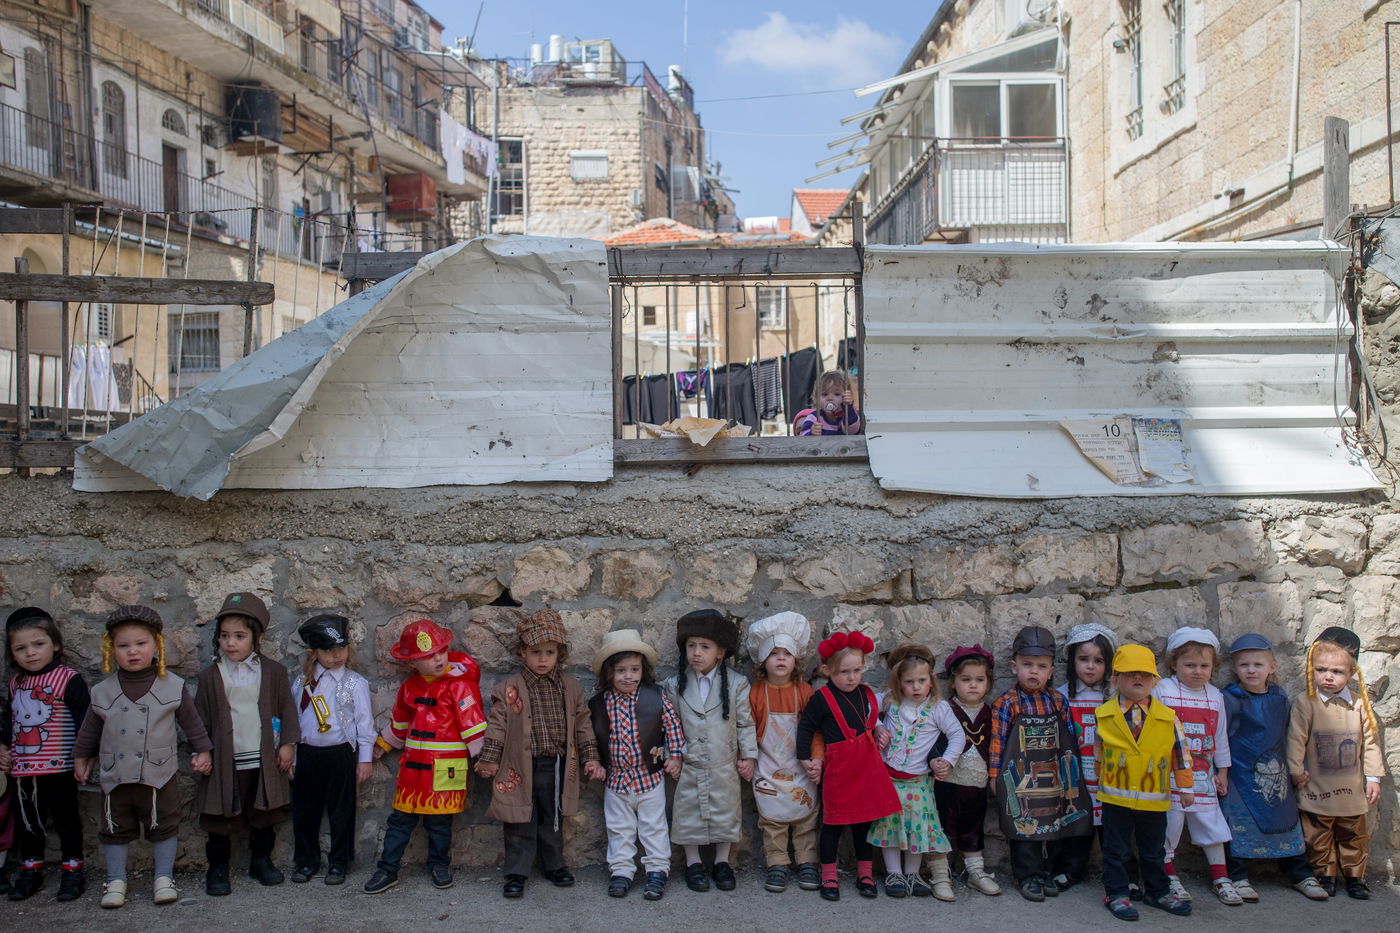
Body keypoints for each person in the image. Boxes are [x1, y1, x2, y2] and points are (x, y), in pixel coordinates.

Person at [72, 606, 213, 909]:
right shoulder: (102, 691)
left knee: (164, 824)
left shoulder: (172, 686)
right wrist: (81, 757)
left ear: (156, 646)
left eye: (141, 643)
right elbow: (90, 729)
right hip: (116, 775)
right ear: (112, 649)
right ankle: (116, 879)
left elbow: (192, 722)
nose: (133, 651)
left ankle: (164, 877)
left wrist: (202, 750)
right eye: (123, 645)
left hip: (159, 774)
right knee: (114, 827)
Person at [476, 608, 601, 899]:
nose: (542, 659)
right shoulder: (509, 688)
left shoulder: (570, 687)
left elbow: (583, 724)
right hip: (519, 765)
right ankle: (516, 872)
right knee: (518, 817)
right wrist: (490, 759)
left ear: (560, 653)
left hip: (555, 765)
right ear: (522, 652)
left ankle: (554, 865)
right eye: (535, 652)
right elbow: (497, 725)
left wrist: (591, 757)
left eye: (549, 652)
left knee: (552, 816)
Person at [363, 619, 486, 895]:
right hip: (413, 769)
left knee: (440, 823)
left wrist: (483, 758)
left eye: (441, 651)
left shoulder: (460, 687)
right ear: (412, 663)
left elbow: (474, 727)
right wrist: (383, 744)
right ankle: (387, 868)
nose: (438, 658)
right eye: (429, 655)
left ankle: (440, 864)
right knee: (400, 820)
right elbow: (400, 724)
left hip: (445, 768)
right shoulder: (410, 688)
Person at [194, 593, 300, 896]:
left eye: (239, 636)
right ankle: (218, 868)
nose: (231, 643)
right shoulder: (211, 676)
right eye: (224, 636)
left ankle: (261, 862)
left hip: (263, 758)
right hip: (225, 760)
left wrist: (288, 745)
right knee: (220, 818)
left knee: (264, 816)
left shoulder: (274, 672)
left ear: (258, 637)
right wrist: (203, 750)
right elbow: (200, 717)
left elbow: (286, 709)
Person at [988, 625, 1092, 902]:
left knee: (1054, 822)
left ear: (1051, 671)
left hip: (1054, 773)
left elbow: (1069, 739)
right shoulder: (1007, 703)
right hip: (1020, 776)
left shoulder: (1058, 701)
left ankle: (1047, 871)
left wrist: (1072, 774)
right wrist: (994, 776)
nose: (1034, 672)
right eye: (1027, 665)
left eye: (1041, 666)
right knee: (1024, 824)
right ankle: (1027, 875)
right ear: (1014, 667)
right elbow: (998, 742)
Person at [1221, 633, 1327, 902]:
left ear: (1271, 667)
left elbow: (1291, 735)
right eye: (1244, 665)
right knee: (1238, 826)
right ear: (1235, 668)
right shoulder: (1230, 699)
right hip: (1240, 776)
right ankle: (1238, 876)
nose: (1251, 670)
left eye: (1258, 664)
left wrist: (1297, 768)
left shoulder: (1280, 698)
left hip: (1277, 772)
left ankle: (1301, 874)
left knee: (1287, 824)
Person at [797, 629, 900, 901]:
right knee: (832, 825)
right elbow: (806, 728)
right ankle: (829, 875)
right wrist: (804, 757)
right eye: (844, 672)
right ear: (827, 670)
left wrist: (878, 728)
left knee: (864, 825)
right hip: (839, 769)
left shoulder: (866, 694)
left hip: (866, 767)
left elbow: (871, 719)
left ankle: (865, 874)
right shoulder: (822, 699)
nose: (852, 677)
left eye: (857, 670)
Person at [1095, 643, 1194, 921]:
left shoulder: (1168, 717)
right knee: (1115, 850)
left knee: (1154, 850)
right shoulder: (1104, 715)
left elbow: (1180, 754)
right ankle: (1117, 893)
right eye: (1130, 673)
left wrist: (1185, 787)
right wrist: (1098, 782)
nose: (1138, 678)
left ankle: (1157, 891)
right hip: (1115, 798)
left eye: (1145, 674)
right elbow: (1099, 753)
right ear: (1116, 679)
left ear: (1154, 680)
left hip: (1153, 798)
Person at [1287, 626, 1384, 900]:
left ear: (1351, 674)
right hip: (1317, 786)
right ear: (1312, 669)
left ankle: (1355, 877)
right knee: (1318, 835)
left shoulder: (1359, 704)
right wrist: (1295, 770)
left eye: (1337, 672)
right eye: (1321, 670)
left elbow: (1371, 741)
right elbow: (1296, 738)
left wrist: (1373, 777)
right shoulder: (1306, 702)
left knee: (1354, 835)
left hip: (1350, 790)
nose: (1328, 677)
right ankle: (1325, 875)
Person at [588, 629, 685, 901]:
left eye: (634, 669)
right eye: (620, 671)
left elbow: (672, 726)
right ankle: (621, 871)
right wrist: (595, 761)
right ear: (609, 673)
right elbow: (591, 736)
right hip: (616, 781)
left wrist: (675, 757)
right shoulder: (599, 704)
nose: (628, 676)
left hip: (649, 778)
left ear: (643, 670)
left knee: (654, 826)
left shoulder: (655, 697)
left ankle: (657, 870)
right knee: (619, 828)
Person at [664, 609, 756, 893]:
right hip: (690, 762)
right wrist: (673, 755)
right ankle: (693, 863)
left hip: (723, 763)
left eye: (705, 647)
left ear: (720, 652)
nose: (696, 653)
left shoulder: (737, 684)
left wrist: (748, 756)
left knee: (725, 812)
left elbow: (745, 723)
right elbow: (670, 725)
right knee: (688, 812)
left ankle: (721, 862)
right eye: (691, 646)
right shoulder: (674, 686)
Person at [1, 607, 88, 902]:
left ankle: (73, 869)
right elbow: (10, 721)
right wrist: (4, 748)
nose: (31, 653)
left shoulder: (68, 679)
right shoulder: (15, 684)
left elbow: (84, 721)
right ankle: (31, 870)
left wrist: (83, 757)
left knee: (67, 821)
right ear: (12, 654)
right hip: (24, 770)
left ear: (56, 644)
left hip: (60, 767)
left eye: (38, 644)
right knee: (29, 822)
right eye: (20, 648)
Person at [868, 644, 965, 900]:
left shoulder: (938, 708)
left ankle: (912, 873)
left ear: (931, 680)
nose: (916, 687)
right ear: (899, 683)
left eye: (922, 681)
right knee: (890, 826)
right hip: (889, 778)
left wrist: (947, 760)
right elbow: (865, 706)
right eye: (909, 682)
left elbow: (957, 735)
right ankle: (894, 873)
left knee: (918, 828)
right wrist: (878, 726)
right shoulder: (890, 701)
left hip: (918, 782)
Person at [289, 614, 374, 886]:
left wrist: (365, 759)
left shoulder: (355, 683)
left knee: (342, 811)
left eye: (341, 648)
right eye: (328, 650)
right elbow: (293, 721)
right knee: (305, 811)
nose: (337, 655)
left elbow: (365, 724)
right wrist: (292, 755)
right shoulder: (300, 683)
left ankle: (338, 862)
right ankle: (306, 861)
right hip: (307, 754)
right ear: (313, 653)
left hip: (340, 754)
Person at [1154, 627, 1236, 904]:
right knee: (1170, 824)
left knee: (1211, 823)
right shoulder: (1163, 690)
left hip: (1203, 774)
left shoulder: (1215, 697)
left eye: (1204, 666)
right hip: (1170, 776)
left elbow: (1220, 737)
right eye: (1190, 665)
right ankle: (1169, 875)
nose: (1197, 671)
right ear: (1173, 664)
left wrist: (1222, 771)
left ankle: (1221, 876)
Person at [743, 612, 821, 894]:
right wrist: (746, 758)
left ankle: (807, 861)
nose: (780, 659)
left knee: (806, 817)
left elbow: (815, 730)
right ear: (763, 660)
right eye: (774, 653)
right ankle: (777, 862)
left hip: (800, 766)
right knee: (772, 819)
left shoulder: (805, 692)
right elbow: (746, 729)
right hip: (768, 765)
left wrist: (817, 759)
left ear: (795, 660)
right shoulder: (755, 693)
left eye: (787, 653)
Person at [1053, 622, 1120, 893]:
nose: (1090, 667)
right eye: (1084, 659)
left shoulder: (1115, 696)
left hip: (1108, 773)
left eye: (1098, 661)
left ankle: (1122, 875)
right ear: (1072, 661)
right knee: (1077, 824)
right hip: (1076, 772)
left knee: (1113, 829)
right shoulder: (1061, 695)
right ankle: (1070, 870)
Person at [933, 644, 1001, 897]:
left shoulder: (990, 713)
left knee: (973, 827)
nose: (973, 685)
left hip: (977, 782)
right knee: (942, 827)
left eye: (979, 680)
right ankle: (940, 874)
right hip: (947, 782)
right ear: (953, 682)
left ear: (988, 683)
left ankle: (975, 871)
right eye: (966, 679)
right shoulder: (944, 710)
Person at [795, 371, 862, 436]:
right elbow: (802, 437)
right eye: (824, 394)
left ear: (847, 396)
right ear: (816, 398)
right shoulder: (814, 418)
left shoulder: (850, 415)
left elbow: (852, 431)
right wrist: (811, 433)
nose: (830, 398)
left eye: (837, 394)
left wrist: (848, 407)